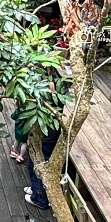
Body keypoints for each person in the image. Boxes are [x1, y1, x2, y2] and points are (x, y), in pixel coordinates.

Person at [25, 68, 68, 210]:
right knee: (36, 163)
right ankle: (35, 188)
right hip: (51, 132)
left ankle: (40, 198)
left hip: (47, 134)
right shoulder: (57, 80)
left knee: (38, 165)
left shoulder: (47, 89)